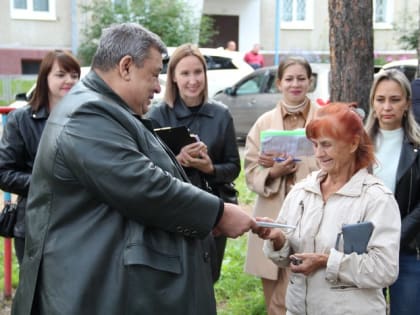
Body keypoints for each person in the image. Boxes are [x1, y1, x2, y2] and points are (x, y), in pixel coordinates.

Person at [11, 23, 256, 315]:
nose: (157, 86)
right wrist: (219, 213)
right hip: (84, 289)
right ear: (126, 66)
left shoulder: (102, 107)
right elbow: (143, 185)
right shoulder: (87, 114)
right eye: (153, 74)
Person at [254, 102, 401, 314]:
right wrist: (277, 238)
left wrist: (326, 261)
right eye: (314, 145)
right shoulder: (302, 192)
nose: (319, 154)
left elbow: (385, 270)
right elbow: (287, 258)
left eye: (327, 144)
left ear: (352, 144)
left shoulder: (376, 199)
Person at [147, 43, 241, 283]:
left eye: (197, 72)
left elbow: (233, 166)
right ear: (174, 78)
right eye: (185, 73)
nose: (192, 80)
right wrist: (176, 162)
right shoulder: (157, 115)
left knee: (208, 278)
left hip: (213, 207)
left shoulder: (221, 114)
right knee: (175, 281)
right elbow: (145, 168)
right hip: (172, 208)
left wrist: (209, 168)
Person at [243, 56, 319, 315]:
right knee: (274, 294)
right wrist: (274, 171)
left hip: (312, 211)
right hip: (275, 211)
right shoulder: (264, 123)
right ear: (279, 83)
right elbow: (250, 172)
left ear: (310, 81)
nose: (295, 84)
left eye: (301, 78)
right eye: (289, 79)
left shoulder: (324, 119)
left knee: (310, 285)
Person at [0, 50, 80, 265]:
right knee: (32, 295)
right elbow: (4, 173)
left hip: (78, 224)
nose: (69, 81)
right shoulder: (21, 119)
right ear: (45, 77)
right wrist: (47, 183)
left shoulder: (86, 118)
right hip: (34, 225)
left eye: (74, 75)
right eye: (61, 74)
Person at [365, 69, 420, 315]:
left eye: (395, 100)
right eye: (381, 99)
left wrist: (396, 236)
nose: (387, 106)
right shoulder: (357, 145)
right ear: (373, 102)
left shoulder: (417, 146)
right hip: (363, 249)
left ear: (407, 103)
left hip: (407, 250)